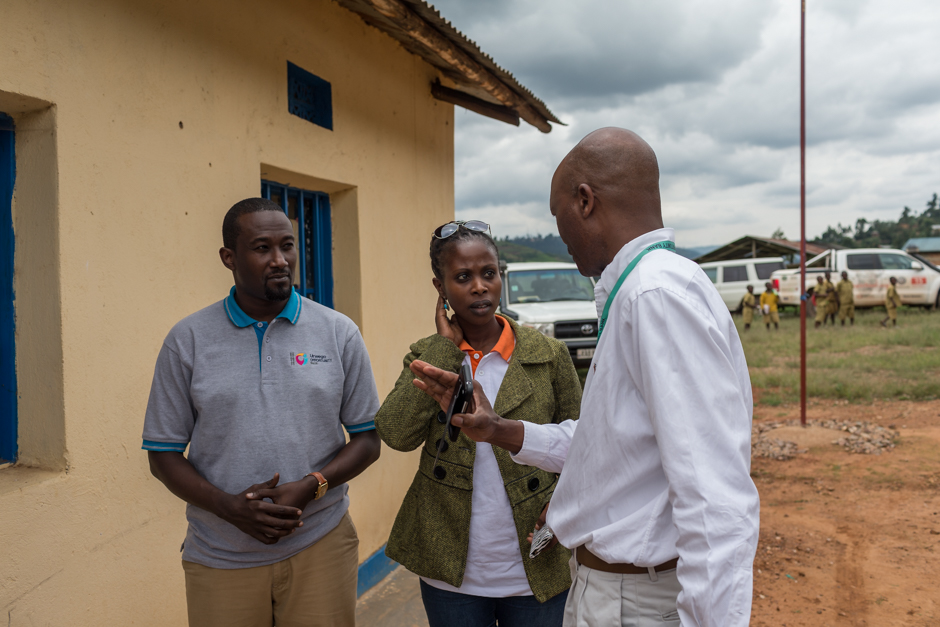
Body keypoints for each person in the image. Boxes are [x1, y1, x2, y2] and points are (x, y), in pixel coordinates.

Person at [410, 128, 759, 627]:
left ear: (585, 200)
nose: (562, 237)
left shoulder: (653, 296)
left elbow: (714, 498)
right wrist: (498, 429)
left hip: (634, 602)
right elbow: (612, 445)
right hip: (617, 593)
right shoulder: (648, 289)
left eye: (559, 218)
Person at [142, 198, 381, 627]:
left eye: (287, 245)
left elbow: (367, 438)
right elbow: (162, 454)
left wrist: (313, 485)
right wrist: (228, 507)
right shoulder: (188, 340)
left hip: (320, 544)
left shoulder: (338, 332)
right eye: (262, 248)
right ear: (228, 257)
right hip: (220, 555)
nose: (280, 260)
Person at [373, 221, 581, 627]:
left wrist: (562, 503)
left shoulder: (548, 354)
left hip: (535, 562)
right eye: (463, 277)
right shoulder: (427, 354)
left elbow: (583, 444)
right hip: (451, 574)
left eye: (489, 273)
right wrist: (444, 350)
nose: (480, 287)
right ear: (440, 287)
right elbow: (396, 433)